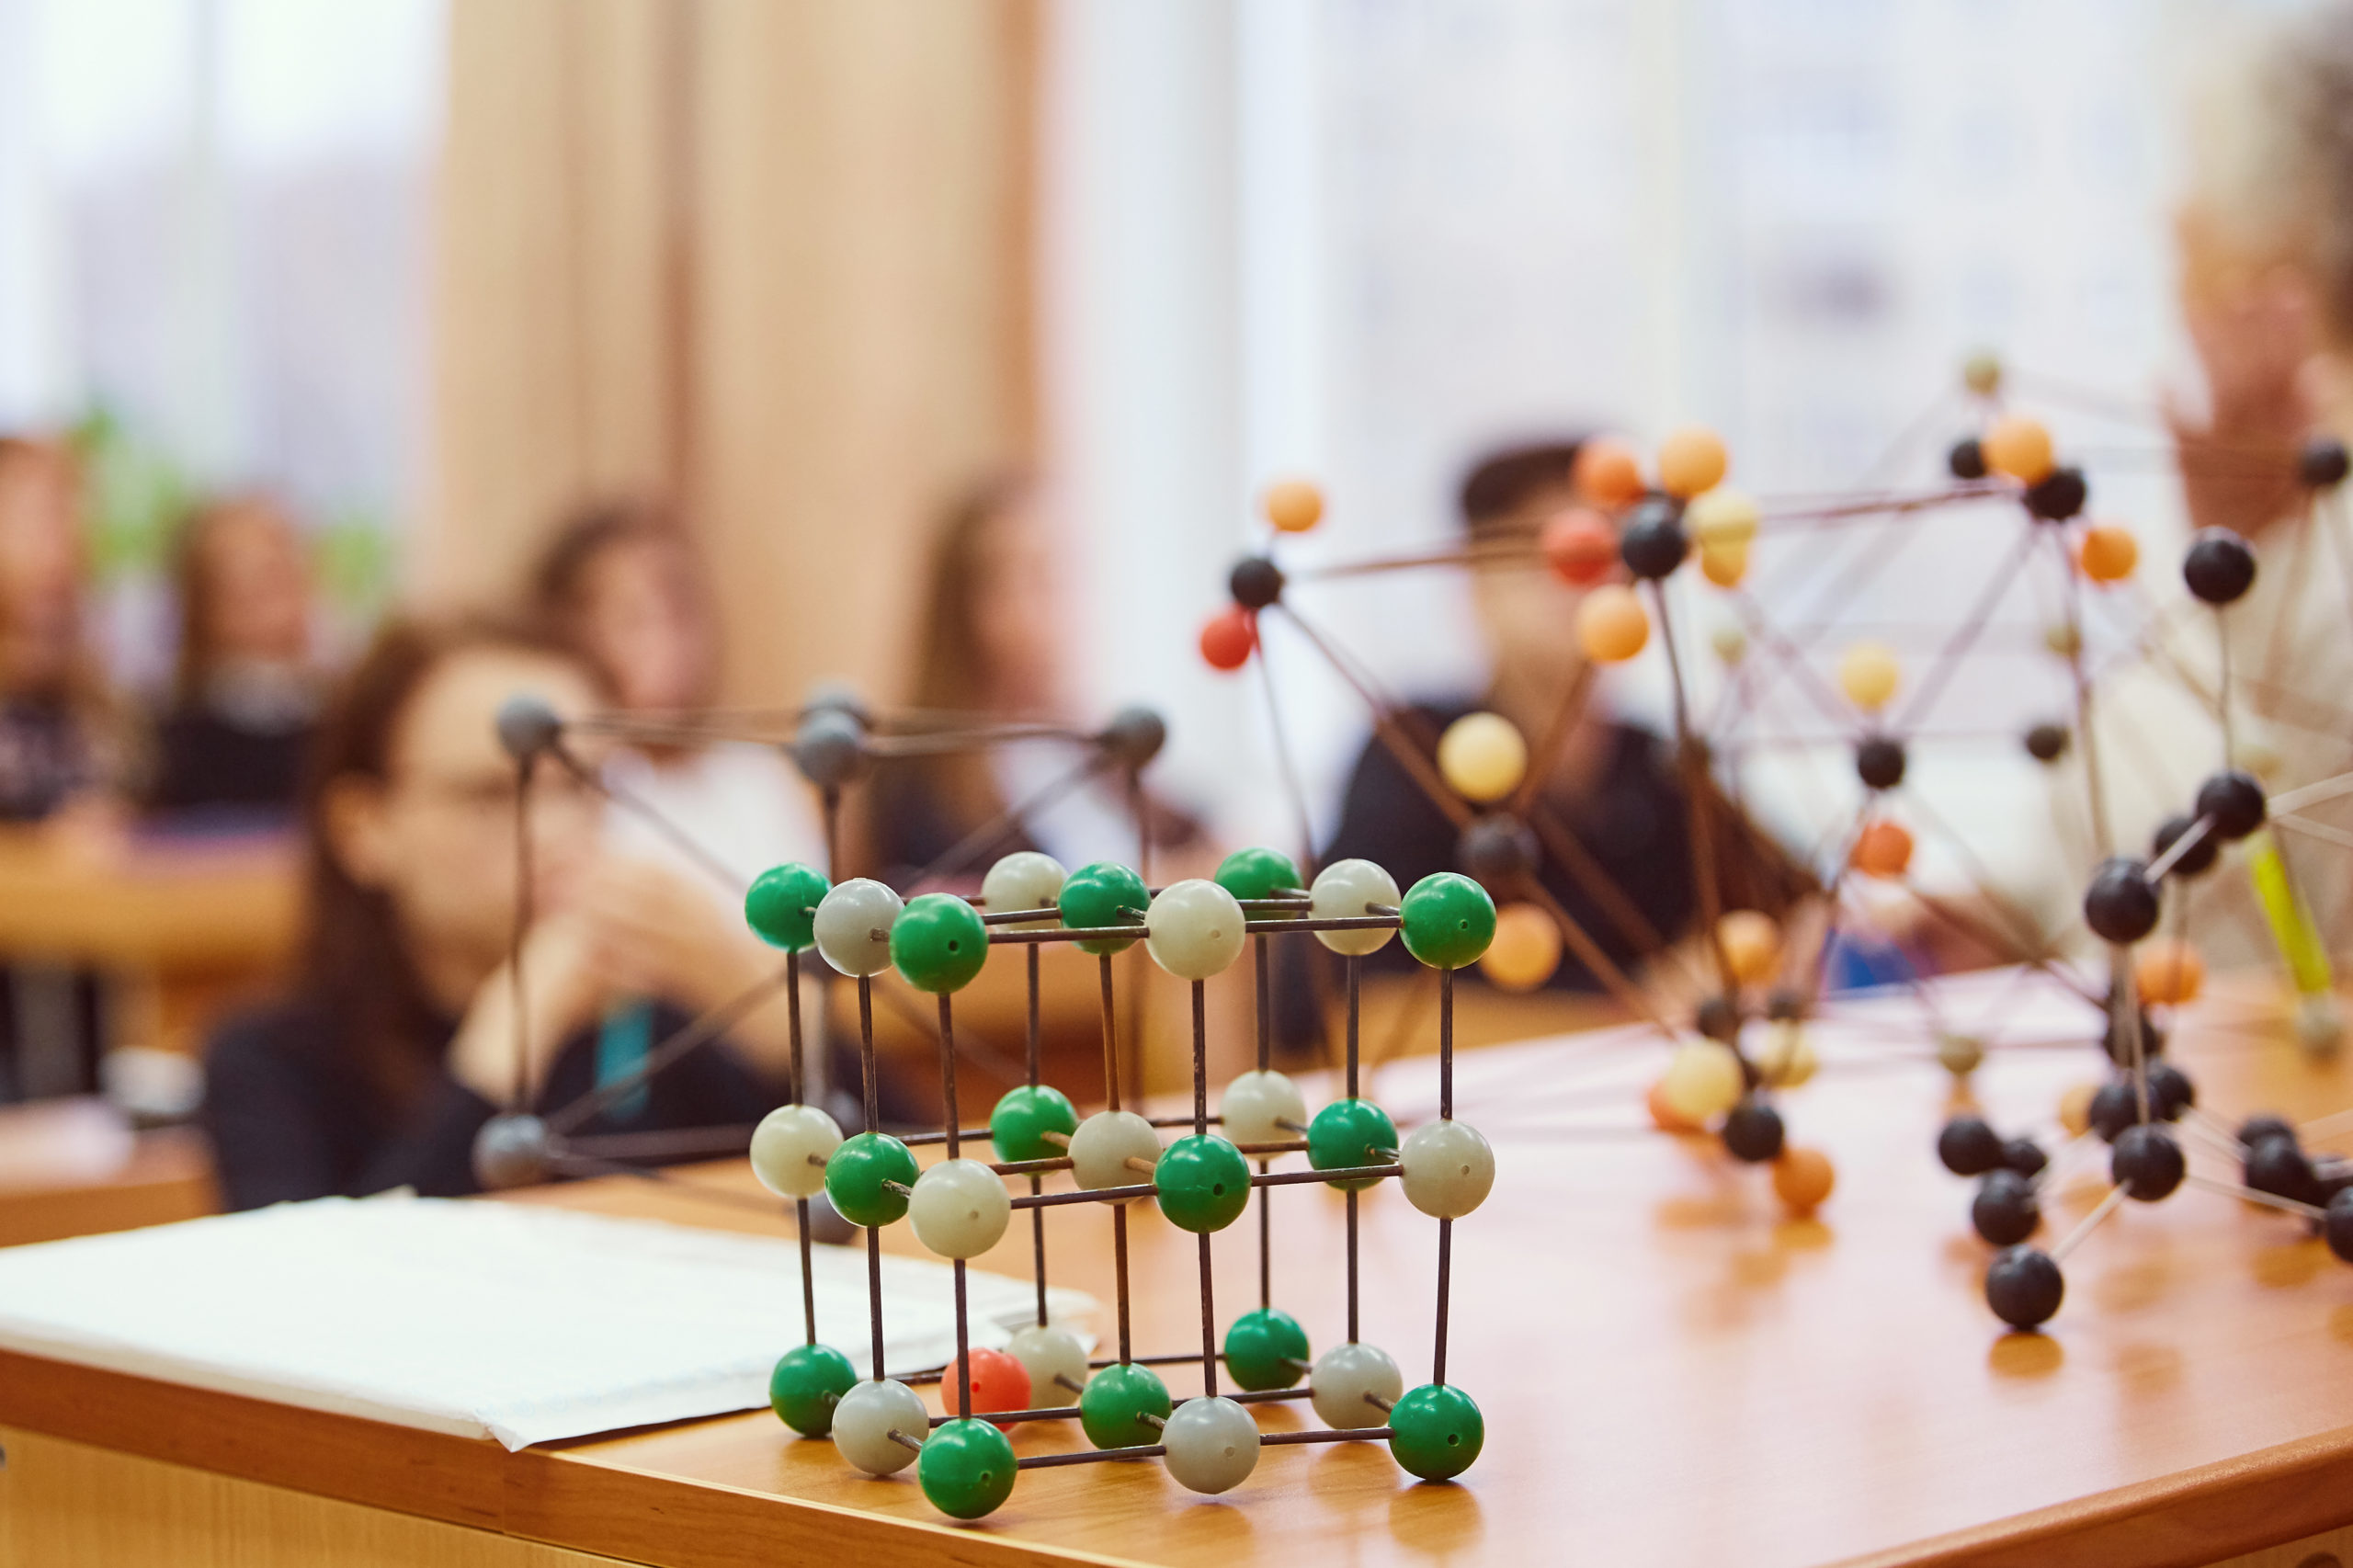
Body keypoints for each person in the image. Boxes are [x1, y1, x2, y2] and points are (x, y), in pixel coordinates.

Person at [201, 617, 798, 1210]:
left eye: (579, 785)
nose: (553, 830)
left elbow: (875, 1197)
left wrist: (759, 1002)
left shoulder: (652, 1026)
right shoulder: (269, 1062)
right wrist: (511, 1036)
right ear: (365, 827)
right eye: (493, 793)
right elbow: (330, 1286)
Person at [1281, 440, 1806, 1041]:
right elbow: (1359, 1013)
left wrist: (1736, 965)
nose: (1591, 577)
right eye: (1553, 552)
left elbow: (1801, 907)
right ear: (1476, 585)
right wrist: (1640, 1015)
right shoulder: (1415, 752)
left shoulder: (1652, 762)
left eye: (1613, 548)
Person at [868, 473, 1199, 886]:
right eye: (1041, 579)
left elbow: (1206, 841)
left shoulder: (1083, 744)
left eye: (1069, 577)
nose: (1068, 606)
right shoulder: (915, 782)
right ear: (972, 607)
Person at [531, 500, 824, 887]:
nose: (667, 646)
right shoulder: (569, 791)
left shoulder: (759, 781)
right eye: (633, 619)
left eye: (682, 615)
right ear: (571, 633)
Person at [147, 494, 323, 819]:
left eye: (278, 572)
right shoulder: (168, 744)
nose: (266, 601)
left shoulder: (335, 729)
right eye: (241, 582)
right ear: (204, 606)